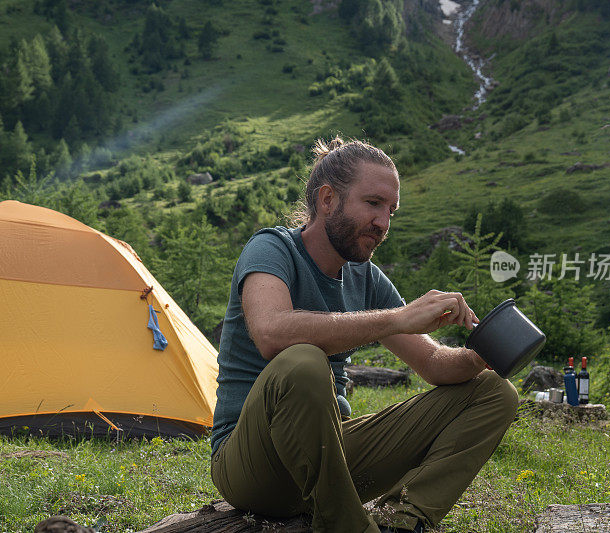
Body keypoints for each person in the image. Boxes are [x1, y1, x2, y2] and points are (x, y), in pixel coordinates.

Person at [209, 136, 518, 533]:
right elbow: (272, 332)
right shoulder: (272, 249)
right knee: (302, 361)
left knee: (494, 392)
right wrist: (398, 318)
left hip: (331, 453)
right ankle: (350, 526)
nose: (384, 223)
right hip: (252, 464)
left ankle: (400, 522)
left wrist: (482, 352)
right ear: (327, 200)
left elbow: (435, 364)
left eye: (391, 210)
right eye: (373, 204)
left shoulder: (366, 278)